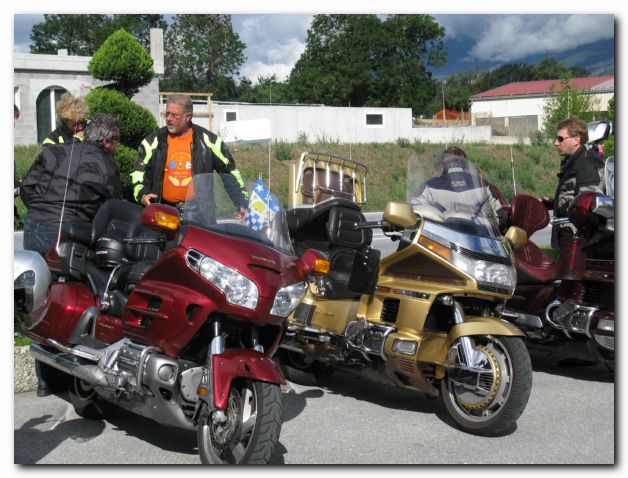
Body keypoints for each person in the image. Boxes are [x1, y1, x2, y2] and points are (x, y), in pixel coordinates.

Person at [20, 113, 122, 397]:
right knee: (69, 299)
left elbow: (27, 189)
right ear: (106, 140)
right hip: (70, 234)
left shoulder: (52, 151)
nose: (116, 147)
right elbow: (112, 207)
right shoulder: (105, 164)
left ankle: (44, 379)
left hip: (36, 227)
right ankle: (66, 372)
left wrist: (41, 212)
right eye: (116, 141)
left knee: (35, 298)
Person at [132, 94, 248, 221]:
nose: (168, 118)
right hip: (164, 211)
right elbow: (139, 172)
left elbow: (230, 172)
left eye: (174, 115)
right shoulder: (154, 140)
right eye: (167, 113)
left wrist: (241, 202)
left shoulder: (209, 140)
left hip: (200, 214)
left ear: (188, 117)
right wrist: (142, 194)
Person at [411, 146, 507, 230]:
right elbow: (501, 220)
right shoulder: (483, 185)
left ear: (442, 165)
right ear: (465, 164)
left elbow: (413, 213)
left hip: (441, 243)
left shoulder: (429, 186)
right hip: (478, 242)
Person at [546, 117, 605, 248]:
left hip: (576, 238)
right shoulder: (575, 161)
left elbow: (587, 207)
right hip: (569, 234)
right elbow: (573, 196)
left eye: (561, 139)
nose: (556, 143)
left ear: (576, 140)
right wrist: (551, 203)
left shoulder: (586, 164)